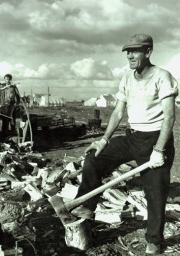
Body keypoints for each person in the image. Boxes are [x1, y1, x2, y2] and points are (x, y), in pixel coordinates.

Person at [73, 33, 178, 255]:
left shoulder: (162, 76)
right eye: (127, 51)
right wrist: (103, 140)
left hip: (155, 140)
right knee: (94, 160)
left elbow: (169, 117)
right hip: (132, 137)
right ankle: (84, 212)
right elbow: (118, 112)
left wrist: (159, 150)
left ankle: (154, 241)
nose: (129, 55)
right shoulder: (128, 78)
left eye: (134, 51)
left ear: (148, 52)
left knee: (155, 190)